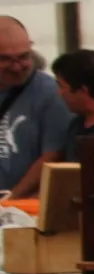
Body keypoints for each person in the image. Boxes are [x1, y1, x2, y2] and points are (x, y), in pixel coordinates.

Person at [0, 16, 70, 197]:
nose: (16, 67)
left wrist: (11, 199)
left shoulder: (51, 93)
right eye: (5, 59)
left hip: (24, 204)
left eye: (23, 57)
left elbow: (52, 156)